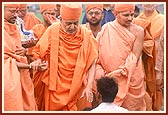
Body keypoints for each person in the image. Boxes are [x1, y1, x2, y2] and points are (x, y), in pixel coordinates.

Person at [32, 4, 98, 111]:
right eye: (68, 23)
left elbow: (92, 63)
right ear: (61, 19)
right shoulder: (52, 30)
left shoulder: (86, 34)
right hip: (55, 87)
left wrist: (89, 86)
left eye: (75, 23)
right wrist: (38, 61)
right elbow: (39, 53)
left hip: (78, 86)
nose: (72, 27)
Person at [95, 4, 146, 111]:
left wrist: (119, 73)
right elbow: (97, 54)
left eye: (132, 15)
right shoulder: (106, 28)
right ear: (115, 14)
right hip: (108, 79)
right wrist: (104, 74)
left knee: (132, 107)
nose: (130, 18)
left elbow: (134, 56)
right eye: (126, 15)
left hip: (130, 75)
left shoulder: (139, 31)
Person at [4, 4, 39, 111]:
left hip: (22, 77)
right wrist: (29, 66)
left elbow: (16, 51)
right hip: (8, 81)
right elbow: (6, 62)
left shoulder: (14, 26)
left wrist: (26, 49)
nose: (16, 15)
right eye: (12, 11)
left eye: (17, 12)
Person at [133, 4, 164, 111]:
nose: (149, 3)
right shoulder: (136, 21)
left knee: (158, 92)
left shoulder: (163, 20)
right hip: (142, 61)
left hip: (159, 61)